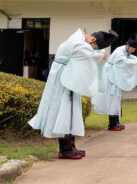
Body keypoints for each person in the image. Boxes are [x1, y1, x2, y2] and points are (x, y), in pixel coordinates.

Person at [29, 29, 117, 159]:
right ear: (93, 40)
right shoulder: (77, 43)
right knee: (64, 111)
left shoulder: (79, 40)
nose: (93, 49)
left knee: (71, 111)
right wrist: (99, 56)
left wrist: (98, 55)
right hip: (63, 79)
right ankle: (66, 150)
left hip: (68, 77)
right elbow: (85, 54)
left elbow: (87, 55)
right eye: (95, 47)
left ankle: (70, 146)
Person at [92, 34, 137, 131]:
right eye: (133, 49)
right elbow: (124, 62)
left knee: (116, 100)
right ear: (128, 46)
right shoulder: (119, 51)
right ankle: (112, 124)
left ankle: (116, 122)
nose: (133, 51)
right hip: (110, 77)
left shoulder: (125, 51)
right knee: (112, 99)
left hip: (115, 77)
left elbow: (130, 57)